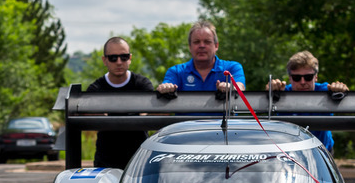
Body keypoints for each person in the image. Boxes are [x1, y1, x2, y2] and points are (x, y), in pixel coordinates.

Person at [87, 37, 154, 169]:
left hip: (138, 158)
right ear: (104, 60)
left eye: (123, 57)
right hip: (105, 159)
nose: (119, 62)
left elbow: (147, 115)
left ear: (130, 58)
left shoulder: (142, 84)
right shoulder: (96, 88)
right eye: (113, 58)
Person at [266, 50, 349, 152]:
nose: (302, 82)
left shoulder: (325, 91)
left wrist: (340, 89)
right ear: (290, 78)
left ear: (316, 77)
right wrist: (272, 90)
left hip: (322, 153)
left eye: (308, 77)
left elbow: (339, 91)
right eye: (297, 78)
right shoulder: (281, 93)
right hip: (291, 153)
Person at [156, 21, 245, 95]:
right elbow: (165, 87)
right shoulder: (176, 72)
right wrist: (164, 88)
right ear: (190, 47)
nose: (202, 46)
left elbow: (240, 87)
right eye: (196, 42)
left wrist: (232, 87)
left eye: (207, 42)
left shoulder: (232, 68)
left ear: (216, 46)